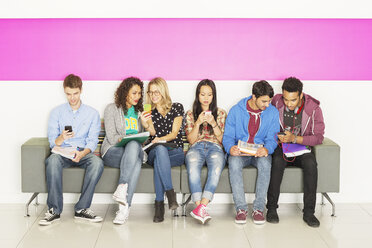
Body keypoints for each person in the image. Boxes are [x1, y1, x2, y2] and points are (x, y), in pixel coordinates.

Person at [39, 74, 104, 226]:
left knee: (97, 163)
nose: (72, 98)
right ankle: (54, 210)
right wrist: (61, 138)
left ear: (80, 90)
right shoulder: (57, 113)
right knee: (52, 161)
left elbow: (93, 141)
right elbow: (52, 142)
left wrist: (83, 153)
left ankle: (82, 209)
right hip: (63, 151)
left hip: (83, 151)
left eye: (75, 93)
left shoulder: (92, 113)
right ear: (64, 92)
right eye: (69, 94)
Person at [266, 77, 325, 227]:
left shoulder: (314, 109)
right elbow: (266, 123)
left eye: (293, 100)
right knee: (277, 161)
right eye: (286, 99)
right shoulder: (276, 102)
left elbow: (318, 138)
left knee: (311, 163)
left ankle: (309, 212)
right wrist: (278, 138)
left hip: (301, 148)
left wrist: (295, 139)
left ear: (300, 95)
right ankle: (272, 208)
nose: (289, 104)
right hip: (282, 148)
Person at [223, 80, 279, 225]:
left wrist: (267, 149)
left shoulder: (272, 112)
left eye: (269, 101)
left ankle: (259, 209)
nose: (267, 105)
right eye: (264, 101)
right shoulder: (236, 110)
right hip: (240, 152)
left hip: (259, 152)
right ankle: (241, 209)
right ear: (254, 97)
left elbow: (273, 137)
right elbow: (228, 136)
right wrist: (230, 148)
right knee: (233, 163)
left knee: (266, 165)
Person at [101, 77, 150, 225]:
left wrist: (145, 125)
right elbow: (111, 137)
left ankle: (122, 191)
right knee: (135, 156)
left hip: (133, 151)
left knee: (134, 146)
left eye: (139, 93)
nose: (137, 97)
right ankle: (125, 208)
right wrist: (127, 139)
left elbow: (145, 139)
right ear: (125, 93)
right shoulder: (112, 108)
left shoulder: (139, 112)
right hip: (113, 151)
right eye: (134, 93)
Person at [185, 79, 227, 224]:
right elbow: (191, 140)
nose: (206, 98)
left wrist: (213, 123)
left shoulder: (221, 113)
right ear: (198, 95)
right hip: (196, 147)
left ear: (213, 96)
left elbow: (222, 141)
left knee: (215, 169)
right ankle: (200, 207)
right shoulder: (190, 114)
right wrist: (198, 123)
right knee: (192, 169)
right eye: (202, 94)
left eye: (209, 95)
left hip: (215, 147)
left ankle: (201, 207)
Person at [144, 77, 185, 223]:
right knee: (160, 151)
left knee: (160, 162)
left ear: (163, 91)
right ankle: (171, 194)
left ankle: (159, 206)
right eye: (150, 92)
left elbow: (174, 134)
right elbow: (153, 133)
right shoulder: (149, 111)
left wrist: (161, 140)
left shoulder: (177, 107)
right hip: (155, 151)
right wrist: (146, 123)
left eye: (156, 92)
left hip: (175, 151)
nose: (153, 95)